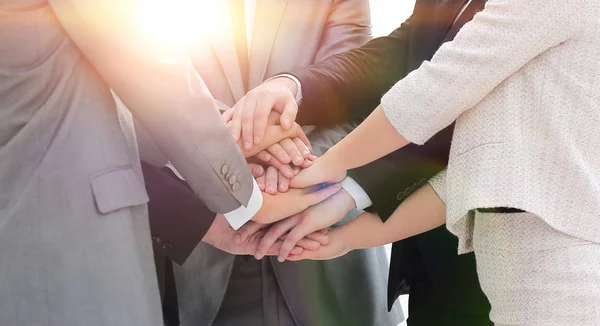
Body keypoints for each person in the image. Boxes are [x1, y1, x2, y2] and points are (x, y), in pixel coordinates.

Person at [0, 1, 321, 325]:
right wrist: (248, 197)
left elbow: (93, 92)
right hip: (66, 246)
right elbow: (141, 59)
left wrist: (236, 134)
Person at [284, 0, 600, 325]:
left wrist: (328, 168)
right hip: (514, 294)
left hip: (565, 290)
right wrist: (348, 238)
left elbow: (437, 88)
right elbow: (469, 176)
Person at [230, 0, 494, 324]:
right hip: (432, 264)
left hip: (508, 262)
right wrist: (292, 89)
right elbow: (398, 51)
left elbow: (452, 95)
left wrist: (328, 177)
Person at [143, 1, 403, 325]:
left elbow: (357, 93)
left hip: (324, 255)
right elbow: (144, 96)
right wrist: (244, 139)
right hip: (202, 259)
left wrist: (291, 173)